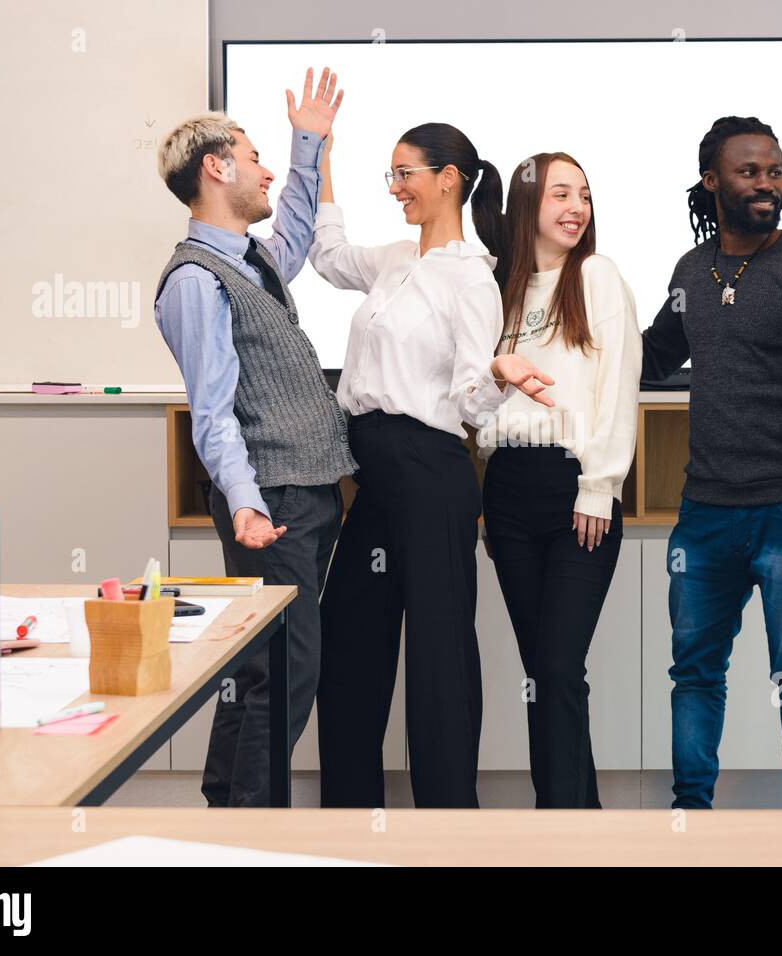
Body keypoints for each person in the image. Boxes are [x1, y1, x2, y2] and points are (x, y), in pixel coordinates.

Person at [310, 123, 552, 809]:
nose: (396, 189)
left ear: (449, 179)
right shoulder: (393, 258)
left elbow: (473, 399)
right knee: (350, 644)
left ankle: (448, 827)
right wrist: (320, 160)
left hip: (430, 469)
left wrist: (501, 372)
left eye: (406, 173)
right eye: (390, 175)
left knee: (439, 657)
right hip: (375, 472)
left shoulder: (472, 278)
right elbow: (327, 257)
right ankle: (352, 821)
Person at [153, 68, 351, 807]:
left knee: (264, 667)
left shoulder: (251, 257)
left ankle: (224, 807)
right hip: (273, 502)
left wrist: (310, 145)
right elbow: (212, 412)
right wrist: (246, 503)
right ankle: (251, 826)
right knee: (290, 670)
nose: (267, 170)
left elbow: (294, 228)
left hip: (304, 494)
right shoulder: (195, 281)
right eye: (257, 155)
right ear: (217, 167)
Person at [642, 116, 782, 810]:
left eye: (775, 172)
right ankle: (689, 814)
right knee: (694, 672)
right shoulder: (689, 272)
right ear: (713, 181)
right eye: (749, 172)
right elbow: (653, 354)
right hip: (704, 515)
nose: (766, 185)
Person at [477, 152, 642, 808]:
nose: (578, 207)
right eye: (561, 194)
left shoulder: (596, 276)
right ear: (527, 207)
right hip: (508, 488)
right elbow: (480, 394)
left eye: (585, 195)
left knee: (556, 669)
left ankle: (562, 827)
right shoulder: (500, 289)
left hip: (575, 488)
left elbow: (618, 385)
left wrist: (599, 484)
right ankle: (580, 823)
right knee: (545, 677)